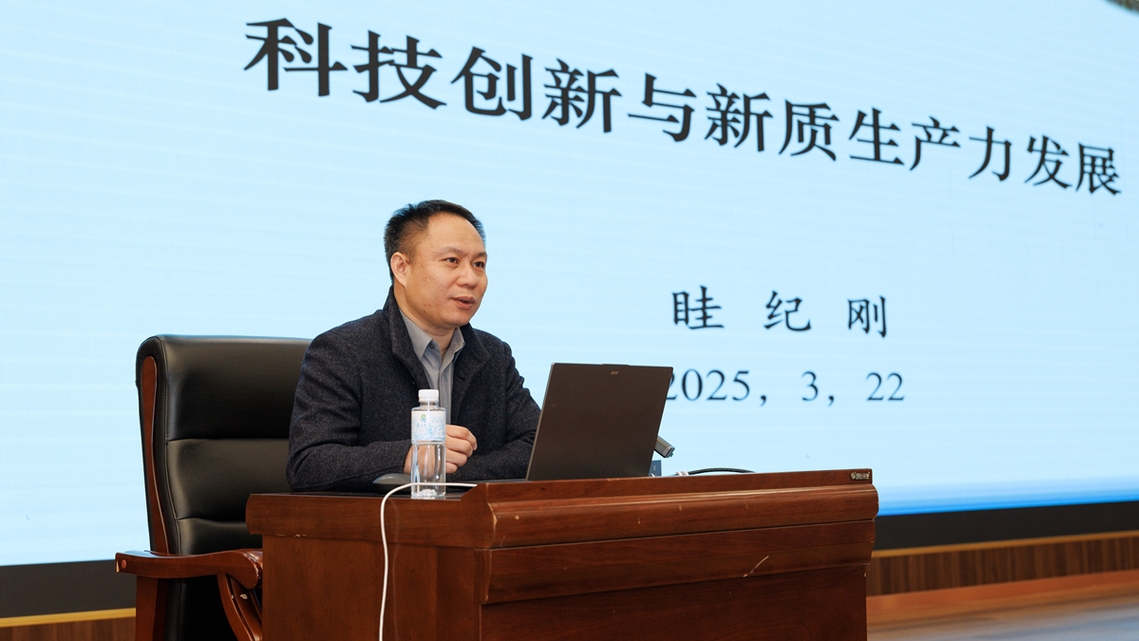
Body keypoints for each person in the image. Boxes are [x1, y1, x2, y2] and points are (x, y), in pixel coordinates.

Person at [286, 200, 540, 492]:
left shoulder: (494, 355)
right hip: (382, 519)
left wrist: (445, 471)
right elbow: (309, 463)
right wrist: (408, 456)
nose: (471, 279)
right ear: (402, 267)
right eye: (452, 261)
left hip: (472, 518)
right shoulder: (342, 351)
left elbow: (537, 448)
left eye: (479, 264)